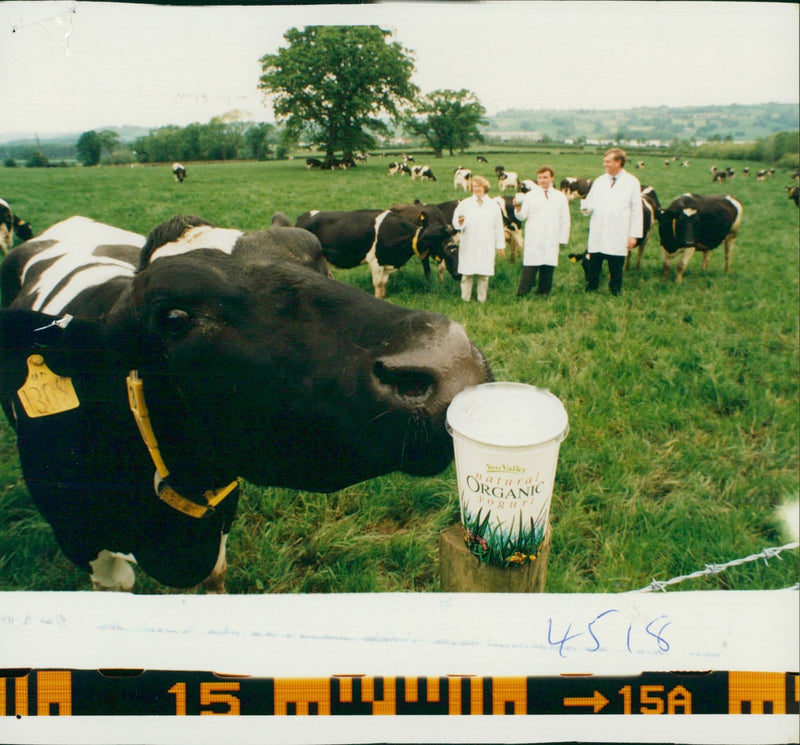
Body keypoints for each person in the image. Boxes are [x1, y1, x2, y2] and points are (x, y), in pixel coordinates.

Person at [580, 147, 643, 296]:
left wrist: (633, 235)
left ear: (618, 162)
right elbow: (589, 203)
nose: (605, 165)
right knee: (595, 260)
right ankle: (592, 287)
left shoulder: (632, 182)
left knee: (616, 263)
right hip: (598, 229)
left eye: (608, 162)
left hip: (618, 231)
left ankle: (615, 290)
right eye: (605, 161)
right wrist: (586, 209)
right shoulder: (599, 181)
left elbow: (636, 210)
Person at [513, 165, 570, 296]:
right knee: (531, 265)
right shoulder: (530, 196)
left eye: (545, 177)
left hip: (552, 236)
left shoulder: (560, 197)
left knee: (548, 265)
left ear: (552, 178)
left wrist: (562, 238)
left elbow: (565, 219)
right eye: (539, 178)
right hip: (535, 236)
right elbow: (522, 216)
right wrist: (517, 209)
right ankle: (522, 293)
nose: (542, 180)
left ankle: (543, 292)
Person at [451, 175, 506, 302]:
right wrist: (460, 222)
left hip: (486, 243)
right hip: (469, 242)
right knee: (467, 273)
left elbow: (498, 227)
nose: (476, 189)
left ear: (485, 187)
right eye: (474, 186)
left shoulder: (493, 205)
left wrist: (501, 246)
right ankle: (465, 298)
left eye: (479, 186)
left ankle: (482, 299)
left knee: (484, 274)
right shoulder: (465, 204)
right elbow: (455, 223)